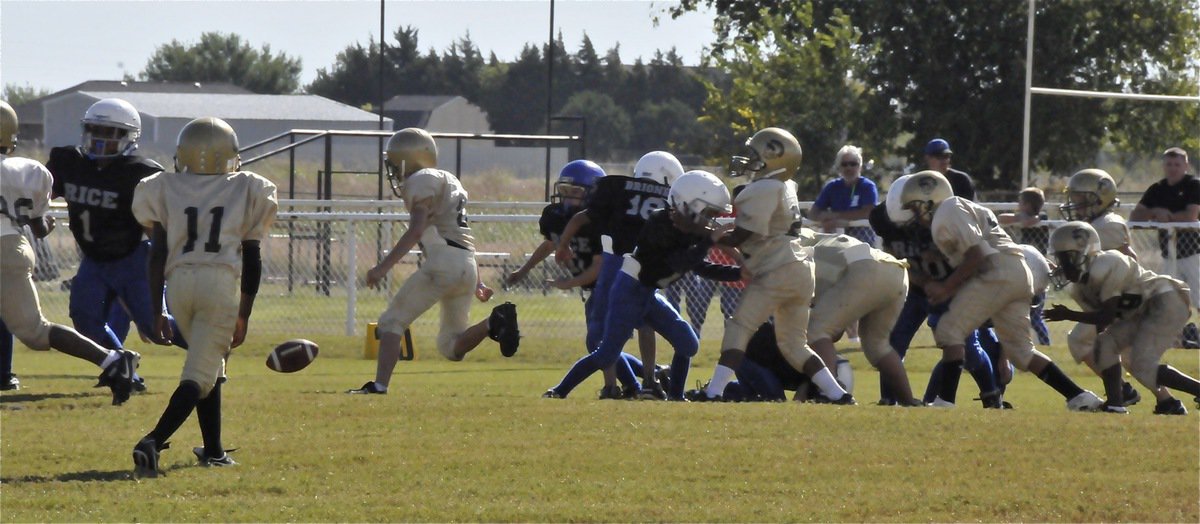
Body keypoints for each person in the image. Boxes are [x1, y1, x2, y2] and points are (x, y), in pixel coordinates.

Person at [129, 117, 278, 476]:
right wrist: (244, 313)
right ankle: (152, 440)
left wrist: (157, 309)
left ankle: (213, 449)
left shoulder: (163, 186)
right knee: (199, 374)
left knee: (210, 363)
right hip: (219, 283)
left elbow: (156, 253)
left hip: (178, 283)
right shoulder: (248, 187)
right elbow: (252, 255)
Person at [895, 170, 1102, 410]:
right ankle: (1079, 397)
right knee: (1022, 353)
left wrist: (945, 288)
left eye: (914, 207)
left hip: (998, 272)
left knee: (950, 329)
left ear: (928, 200)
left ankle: (945, 401)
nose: (914, 215)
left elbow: (977, 255)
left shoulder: (947, 210)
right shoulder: (955, 210)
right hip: (1016, 273)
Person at [348, 128, 520, 395]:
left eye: (395, 165)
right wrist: (478, 283)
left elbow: (416, 231)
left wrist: (382, 267)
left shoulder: (421, 180)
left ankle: (379, 385)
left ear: (408, 159)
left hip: (444, 263)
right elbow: (460, 235)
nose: (393, 172)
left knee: (392, 322)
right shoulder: (450, 180)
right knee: (451, 347)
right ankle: (492, 323)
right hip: (467, 264)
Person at [543, 171, 739, 400]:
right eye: (709, 213)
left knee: (687, 344)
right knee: (606, 354)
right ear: (689, 205)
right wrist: (710, 241)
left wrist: (739, 273)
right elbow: (681, 261)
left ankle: (676, 398)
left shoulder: (687, 230)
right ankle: (558, 391)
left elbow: (700, 266)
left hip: (647, 293)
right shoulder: (659, 222)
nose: (711, 220)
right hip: (629, 292)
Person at [693, 127, 852, 404]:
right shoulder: (786, 185)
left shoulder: (764, 188)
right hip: (801, 269)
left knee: (739, 327)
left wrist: (710, 235)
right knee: (793, 344)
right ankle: (838, 394)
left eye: (756, 154)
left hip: (778, 270)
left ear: (775, 157)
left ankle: (713, 391)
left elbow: (745, 235)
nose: (749, 159)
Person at [0, 100, 139, 405]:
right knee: (36, 332)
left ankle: (112, 360)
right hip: (12, 245)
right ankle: (111, 360)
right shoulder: (25, 171)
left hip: (4, 251)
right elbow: (38, 229)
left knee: (36, 333)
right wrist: (43, 219)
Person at [45, 98, 187, 377]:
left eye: (110, 133)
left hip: (133, 259)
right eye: (95, 129)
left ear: (128, 136)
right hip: (94, 259)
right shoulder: (68, 161)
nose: (100, 139)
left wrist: (166, 269)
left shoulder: (141, 172)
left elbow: (159, 230)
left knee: (154, 326)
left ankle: (208, 345)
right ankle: (124, 370)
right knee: (85, 320)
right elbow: (39, 193)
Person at [505, 159, 646, 399]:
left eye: (575, 193)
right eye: (565, 192)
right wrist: (525, 270)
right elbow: (551, 243)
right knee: (602, 343)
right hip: (592, 288)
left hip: (610, 286)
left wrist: (566, 283)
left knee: (598, 341)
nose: (568, 199)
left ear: (593, 194)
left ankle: (617, 386)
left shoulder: (601, 221)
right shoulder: (557, 216)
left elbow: (599, 268)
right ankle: (643, 379)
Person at [554, 151, 681, 396]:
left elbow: (584, 222)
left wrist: (563, 246)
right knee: (638, 327)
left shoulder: (618, 191)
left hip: (614, 275)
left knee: (601, 338)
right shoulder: (663, 202)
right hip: (638, 272)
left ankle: (624, 384)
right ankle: (647, 380)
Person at [872, 175, 1004, 408]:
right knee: (893, 342)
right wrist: (922, 281)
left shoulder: (942, 219)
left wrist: (947, 287)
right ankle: (889, 400)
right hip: (916, 288)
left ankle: (991, 396)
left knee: (968, 349)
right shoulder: (886, 219)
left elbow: (968, 258)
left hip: (951, 285)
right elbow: (895, 258)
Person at [1044, 221, 1199, 415]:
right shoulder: (1079, 287)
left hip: (1164, 299)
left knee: (1142, 365)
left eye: (1068, 258)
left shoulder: (1108, 262)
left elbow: (1107, 314)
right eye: (1060, 258)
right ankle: (1116, 405)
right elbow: (1103, 323)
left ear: (1087, 251)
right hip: (1140, 311)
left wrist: (1067, 314)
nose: (1064, 265)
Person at [797, 231, 919, 405]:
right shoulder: (821, 241)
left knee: (816, 330)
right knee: (877, 346)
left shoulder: (800, 255)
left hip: (865, 268)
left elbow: (829, 332)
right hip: (896, 270)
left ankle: (829, 393)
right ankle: (908, 401)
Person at [1057, 168, 1144, 403]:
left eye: (1081, 198)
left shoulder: (1107, 224)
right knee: (1125, 354)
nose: (1075, 203)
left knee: (1087, 342)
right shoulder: (1097, 222)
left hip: (1118, 298)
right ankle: (1149, 396)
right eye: (1074, 197)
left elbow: (1123, 261)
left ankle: (1126, 393)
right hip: (1112, 297)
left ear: (1100, 197)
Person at [1129, 147, 1199, 347]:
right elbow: (1135, 216)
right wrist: (1154, 212)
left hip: (1194, 253)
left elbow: (1191, 215)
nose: (1173, 168)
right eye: (1169, 164)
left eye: (1177, 164)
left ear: (1185, 165)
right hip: (1169, 255)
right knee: (1170, 301)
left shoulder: (1194, 185)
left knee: (1199, 299)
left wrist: (1167, 217)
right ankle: (1176, 340)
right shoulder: (1157, 189)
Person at [809, 145, 877, 245]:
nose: (848, 168)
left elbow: (869, 213)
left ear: (860, 166)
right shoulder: (831, 187)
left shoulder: (867, 186)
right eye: (844, 164)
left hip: (863, 244)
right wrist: (826, 220)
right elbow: (812, 214)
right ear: (839, 167)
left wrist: (839, 219)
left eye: (853, 164)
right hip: (836, 243)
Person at [998, 187, 1049, 254]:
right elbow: (1000, 218)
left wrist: (1022, 217)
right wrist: (1018, 217)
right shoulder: (1022, 215)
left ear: (1027, 205)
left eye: (1020, 202)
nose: (1018, 205)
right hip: (1024, 251)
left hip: (1039, 252)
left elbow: (1027, 222)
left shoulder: (1042, 216)